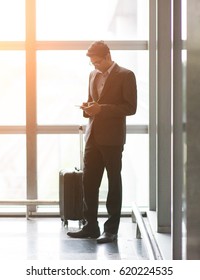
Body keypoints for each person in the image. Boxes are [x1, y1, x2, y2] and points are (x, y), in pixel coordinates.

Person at [67, 41, 137, 243]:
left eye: (97, 62)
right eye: (92, 63)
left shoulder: (126, 75)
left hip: (113, 139)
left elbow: (130, 107)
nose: (95, 66)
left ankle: (111, 230)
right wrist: (87, 107)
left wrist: (102, 109)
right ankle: (91, 226)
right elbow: (92, 101)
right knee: (88, 182)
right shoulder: (92, 75)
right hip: (93, 136)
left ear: (108, 56)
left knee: (113, 183)